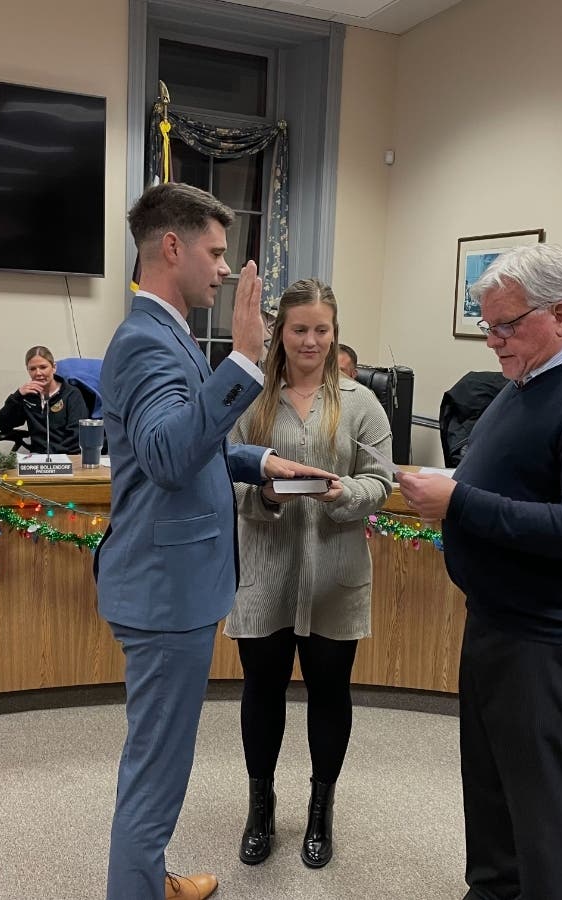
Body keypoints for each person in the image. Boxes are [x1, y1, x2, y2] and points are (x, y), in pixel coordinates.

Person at [93, 182, 337, 900]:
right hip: (165, 592)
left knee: (160, 760)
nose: (225, 268)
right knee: (156, 769)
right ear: (172, 247)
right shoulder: (145, 342)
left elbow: (181, 445)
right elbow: (169, 456)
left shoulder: (161, 332)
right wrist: (243, 360)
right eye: (216, 251)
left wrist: (258, 461)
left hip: (175, 584)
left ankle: (151, 877)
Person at [397, 243, 562, 900]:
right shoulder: (526, 381)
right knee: (490, 803)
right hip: (497, 624)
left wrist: (460, 501)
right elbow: (514, 482)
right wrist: (454, 484)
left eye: (505, 324)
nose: (493, 340)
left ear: (560, 314)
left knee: (546, 820)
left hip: (549, 638)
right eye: (487, 325)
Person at [226, 280, 392, 870]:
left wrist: (345, 493)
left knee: (329, 694)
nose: (311, 341)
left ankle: (321, 811)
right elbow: (225, 478)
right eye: (299, 329)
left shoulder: (361, 403)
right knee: (261, 693)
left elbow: (382, 481)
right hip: (265, 575)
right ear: (280, 333)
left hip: (335, 577)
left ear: (334, 332)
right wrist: (266, 497)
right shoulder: (248, 401)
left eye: (322, 330)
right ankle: (260, 807)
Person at [0, 346, 89, 454]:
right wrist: (17, 396)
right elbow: (3, 425)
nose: (38, 373)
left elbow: (77, 435)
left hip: (67, 457)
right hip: (37, 458)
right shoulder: (27, 396)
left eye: (43, 367)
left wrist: (53, 458)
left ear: (54, 367)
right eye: (32, 369)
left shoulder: (71, 394)